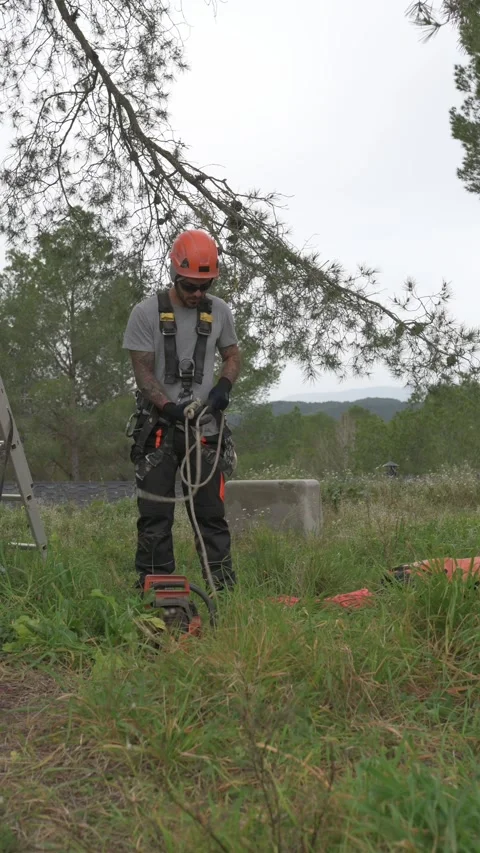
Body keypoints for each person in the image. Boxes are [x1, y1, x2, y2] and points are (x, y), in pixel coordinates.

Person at [122, 229, 241, 593]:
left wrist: (223, 386)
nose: (198, 294)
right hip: (160, 428)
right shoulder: (145, 313)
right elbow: (143, 372)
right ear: (174, 274)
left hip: (204, 429)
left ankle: (222, 590)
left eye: (205, 286)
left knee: (211, 517)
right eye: (190, 286)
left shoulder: (219, 311)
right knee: (155, 517)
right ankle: (157, 591)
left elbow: (232, 355)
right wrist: (169, 407)